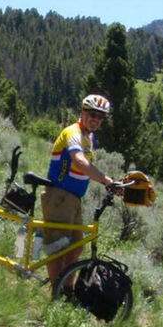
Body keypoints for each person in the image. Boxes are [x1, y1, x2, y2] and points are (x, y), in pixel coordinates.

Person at [41, 94, 117, 290]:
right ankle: (56, 295)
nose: (97, 120)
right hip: (59, 195)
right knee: (57, 247)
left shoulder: (89, 137)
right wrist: (106, 180)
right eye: (93, 115)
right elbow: (80, 162)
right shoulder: (73, 132)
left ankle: (67, 289)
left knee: (76, 246)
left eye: (101, 117)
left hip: (74, 198)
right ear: (83, 112)